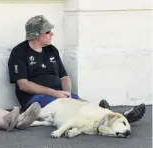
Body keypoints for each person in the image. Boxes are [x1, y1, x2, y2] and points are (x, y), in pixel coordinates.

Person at [8, 15, 146, 124]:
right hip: (35, 100)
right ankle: (113, 117)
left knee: (84, 104)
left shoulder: (52, 50)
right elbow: (23, 85)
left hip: (59, 95)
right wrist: (55, 93)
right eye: (48, 31)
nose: (52, 34)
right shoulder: (19, 52)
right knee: (77, 109)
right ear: (36, 34)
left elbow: (64, 77)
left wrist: (67, 92)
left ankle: (117, 117)